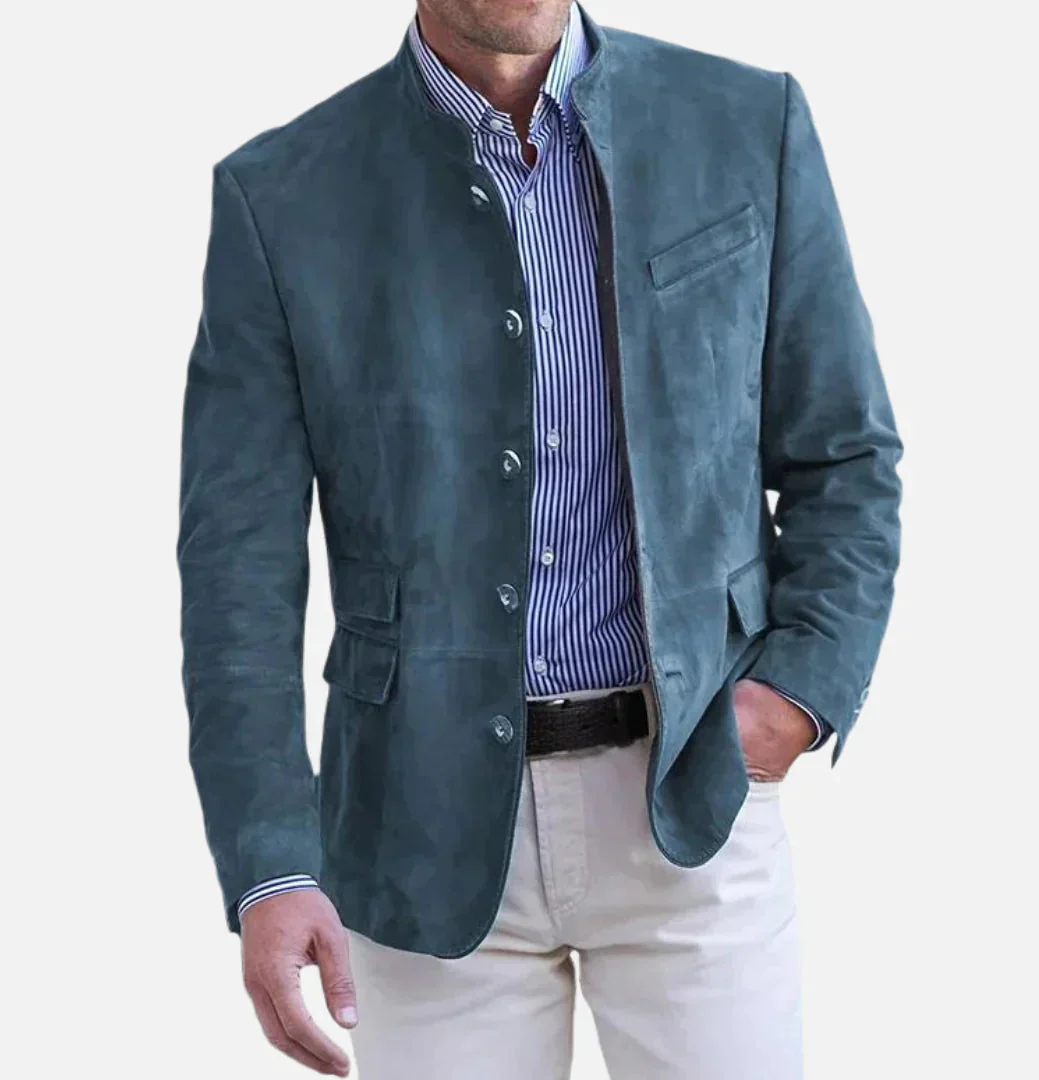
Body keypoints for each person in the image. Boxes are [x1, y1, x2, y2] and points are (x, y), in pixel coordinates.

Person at [176, 2, 903, 1076]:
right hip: (415, 833)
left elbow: (845, 456)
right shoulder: (281, 194)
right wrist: (271, 862)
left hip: (693, 795)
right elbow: (237, 567)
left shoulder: (747, 123)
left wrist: (797, 694)